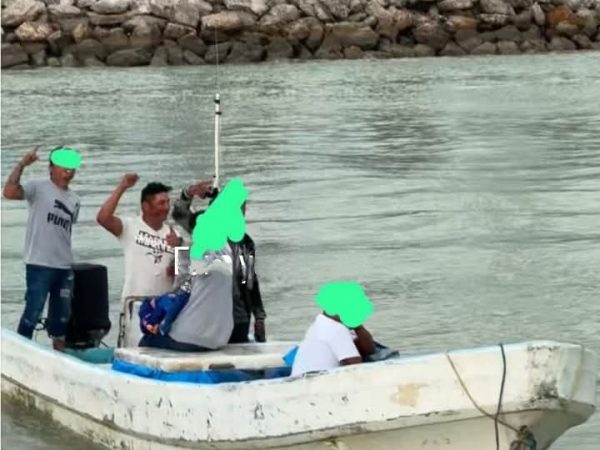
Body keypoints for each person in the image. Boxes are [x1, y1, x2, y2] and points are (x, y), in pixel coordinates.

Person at [3, 146, 82, 351]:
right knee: (33, 313)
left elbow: (65, 231)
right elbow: (9, 192)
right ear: (51, 168)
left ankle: (59, 356)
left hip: (64, 266)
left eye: (71, 168)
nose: (68, 172)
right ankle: (21, 352)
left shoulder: (75, 199)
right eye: (63, 166)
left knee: (61, 319)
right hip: (39, 264)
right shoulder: (37, 187)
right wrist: (22, 164)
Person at [172, 182, 267, 343]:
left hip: (239, 316)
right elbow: (179, 214)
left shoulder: (245, 242)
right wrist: (189, 193)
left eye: (242, 208)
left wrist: (259, 316)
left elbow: (250, 280)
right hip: (209, 312)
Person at [96, 174, 182, 302]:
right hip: (135, 301)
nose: (166, 207)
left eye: (167, 202)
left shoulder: (174, 234)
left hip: (164, 304)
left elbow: (181, 272)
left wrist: (178, 256)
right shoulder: (129, 227)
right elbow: (103, 218)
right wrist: (122, 187)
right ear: (145, 206)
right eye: (161, 203)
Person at [139, 246, 234, 351]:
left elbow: (183, 290)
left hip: (190, 337)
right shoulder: (227, 249)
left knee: (146, 341)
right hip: (220, 338)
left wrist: (164, 324)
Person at [291, 283, 375, 377]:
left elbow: (368, 351)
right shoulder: (335, 329)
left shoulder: (321, 323)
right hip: (316, 383)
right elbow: (356, 368)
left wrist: (357, 326)